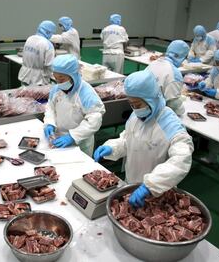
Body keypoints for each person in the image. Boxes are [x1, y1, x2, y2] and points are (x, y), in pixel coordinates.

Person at [93, 70, 194, 208]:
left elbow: (181, 161)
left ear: (151, 98)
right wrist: (113, 147)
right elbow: (128, 139)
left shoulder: (170, 124)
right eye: (131, 104)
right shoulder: (136, 116)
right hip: (130, 183)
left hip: (158, 192)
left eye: (138, 104)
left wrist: (150, 185)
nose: (135, 109)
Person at [43, 54, 105, 156]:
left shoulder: (86, 93)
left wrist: (73, 136)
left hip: (80, 142)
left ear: (73, 76)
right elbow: (50, 107)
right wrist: (49, 123)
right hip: (58, 138)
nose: (58, 82)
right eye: (56, 78)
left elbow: (94, 120)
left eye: (61, 79)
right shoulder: (56, 89)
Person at [146, 40, 189, 116]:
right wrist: (181, 110)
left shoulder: (153, 64)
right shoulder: (174, 73)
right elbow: (172, 102)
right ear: (182, 57)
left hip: (144, 106)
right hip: (159, 114)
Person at [18, 20, 56, 86]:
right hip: (38, 80)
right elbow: (49, 65)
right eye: (52, 33)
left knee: (23, 95)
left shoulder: (30, 38)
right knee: (35, 96)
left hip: (24, 75)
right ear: (48, 32)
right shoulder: (48, 44)